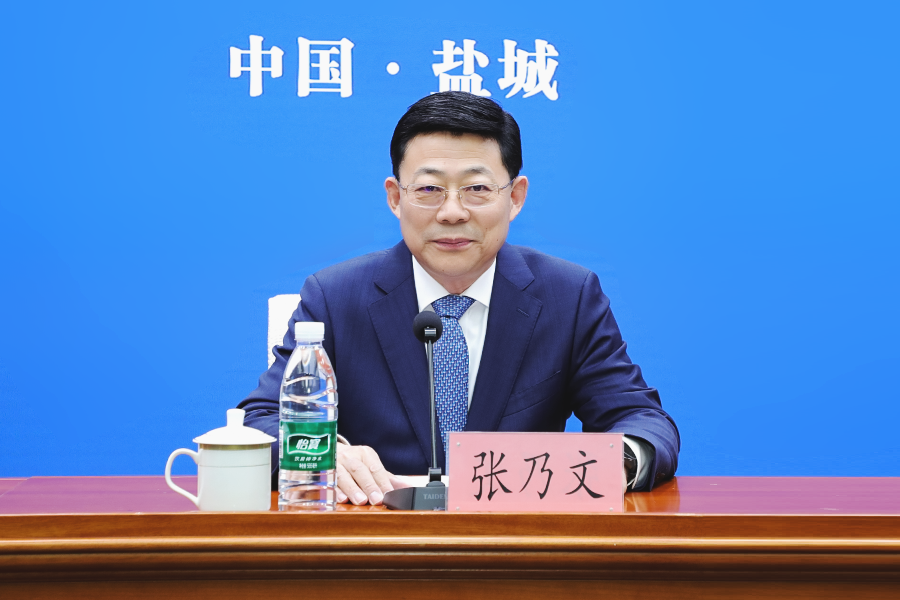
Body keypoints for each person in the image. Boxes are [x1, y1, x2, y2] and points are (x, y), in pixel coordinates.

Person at [238, 91, 680, 505]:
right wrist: (324, 453)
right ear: (395, 198)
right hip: (377, 539)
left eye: (477, 189)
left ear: (515, 198)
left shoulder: (568, 296)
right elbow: (260, 422)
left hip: (516, 543)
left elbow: (643, 421)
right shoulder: (335, 297)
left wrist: (615, 464)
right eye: (429, 189)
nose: (452, 212)